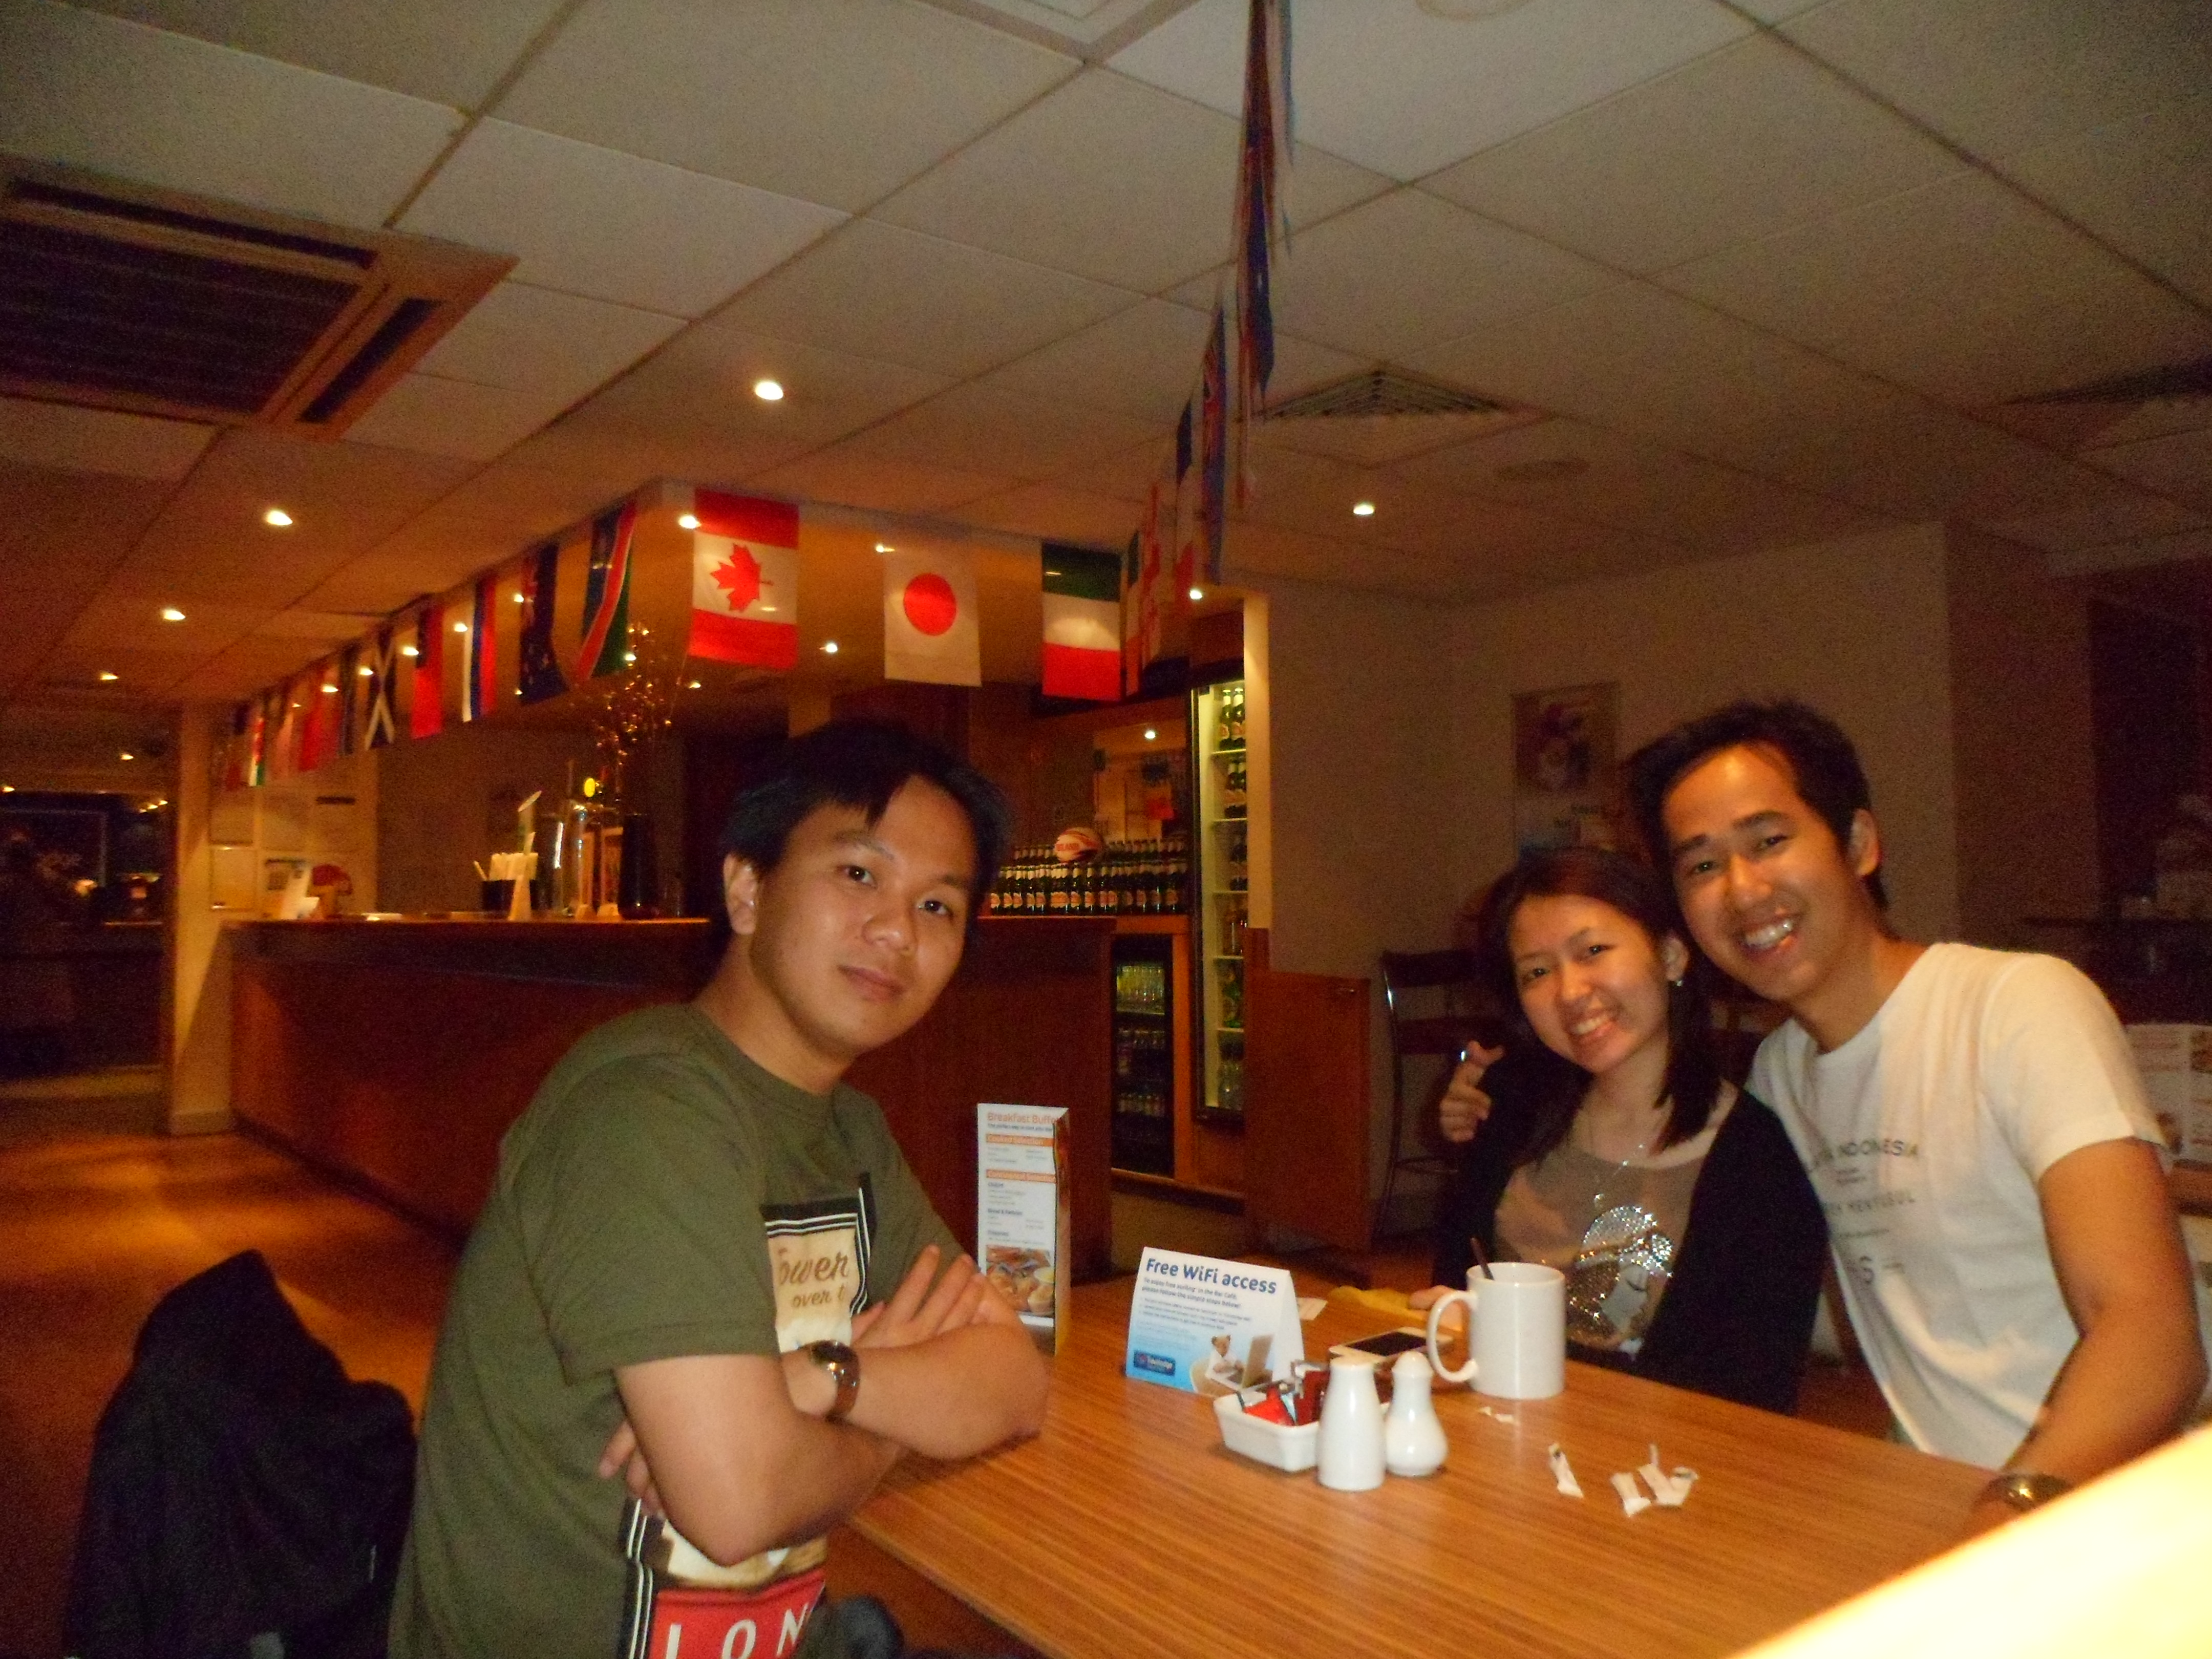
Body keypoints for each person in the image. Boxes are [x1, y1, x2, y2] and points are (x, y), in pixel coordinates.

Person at [392, 720, 1051, 1658]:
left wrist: (819, 1380)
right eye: (858, 874)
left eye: (939, 905)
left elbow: (1015, 1377)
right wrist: (890, 1421)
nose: (897, 931)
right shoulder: (644, 1111)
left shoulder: (848, 1131)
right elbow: (739, 1505)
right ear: (747, 889)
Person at [1625, 697, 2207, 1532]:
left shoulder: (2018, 1007)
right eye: (1702, 866)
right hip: (1928, 1503)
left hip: (2095, 1516)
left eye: (1769, 841)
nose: (1743, 889)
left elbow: (2153, 1335)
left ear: (1860, 844)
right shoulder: (1782, 1074)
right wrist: (1511, 1107)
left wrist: (2008, 1511)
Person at [1419, 847, 1826, 1414]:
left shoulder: (1758, 1165)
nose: (1569, 992)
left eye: (1593, 951)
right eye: (1536, 972)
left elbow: (1750, 1399)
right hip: (1492, 1438)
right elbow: (1451, 1294)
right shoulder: (1508, 1111)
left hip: (1653, 1459)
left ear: (1671, 955)